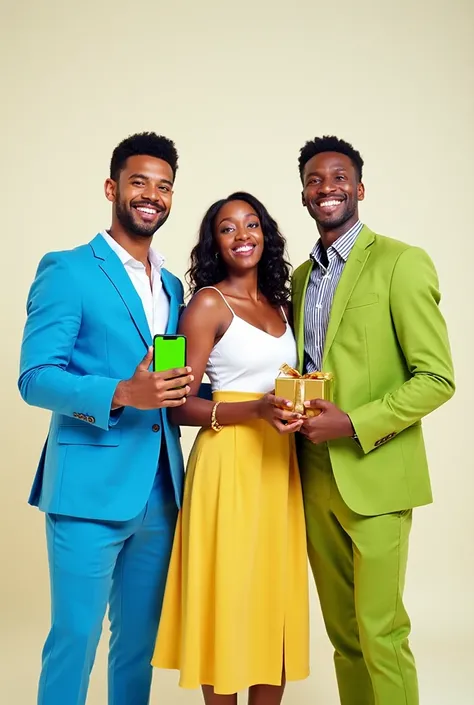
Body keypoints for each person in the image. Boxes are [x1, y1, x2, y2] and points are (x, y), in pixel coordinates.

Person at [18, 132, 194, 705]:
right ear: (112, 188)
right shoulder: (68, 270)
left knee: (138, 645)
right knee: (75, 638)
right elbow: (35, 376)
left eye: (163, 186)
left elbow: (163, 379)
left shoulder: (171, 284)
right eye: (139, 182)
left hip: (160, 491)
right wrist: (119, 392)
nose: (152, 196)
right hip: (87, 490)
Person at [291, 135, 455, 705]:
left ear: (359, 189)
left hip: (377, 471)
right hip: (311, 477)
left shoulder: (401, 262)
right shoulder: (298, 279)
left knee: (381, 632)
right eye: (315, 179)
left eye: (338, 178)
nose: (327, 187)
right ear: (305, 195)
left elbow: (437, 378)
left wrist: (354, 424)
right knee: (344, 637)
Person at [152, 192, 310, 705]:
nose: (242, 235)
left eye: (251, 224)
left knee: (272, 598)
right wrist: (254, 411)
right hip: (227, 465)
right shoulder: (204, 304)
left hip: (278, 465)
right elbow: (177, 406)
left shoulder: (284, 305)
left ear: (266, 234)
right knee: (227, 597)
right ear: (214, 244)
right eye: (227, 228)